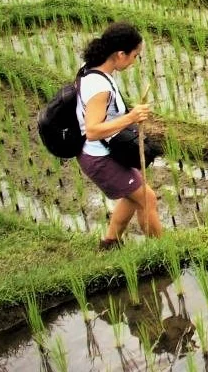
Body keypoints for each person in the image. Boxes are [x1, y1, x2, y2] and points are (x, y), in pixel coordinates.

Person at [76, 22, 161, 250]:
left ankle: (110, 243)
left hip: (107, 151)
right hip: (99, 156)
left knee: (133, 194)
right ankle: (163, 251)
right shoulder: (99, 87)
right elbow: (92, 130)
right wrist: (131, 117)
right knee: (147, 198)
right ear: (120, 54)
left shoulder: (92, 67)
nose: (134, 61)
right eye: (134, 56)